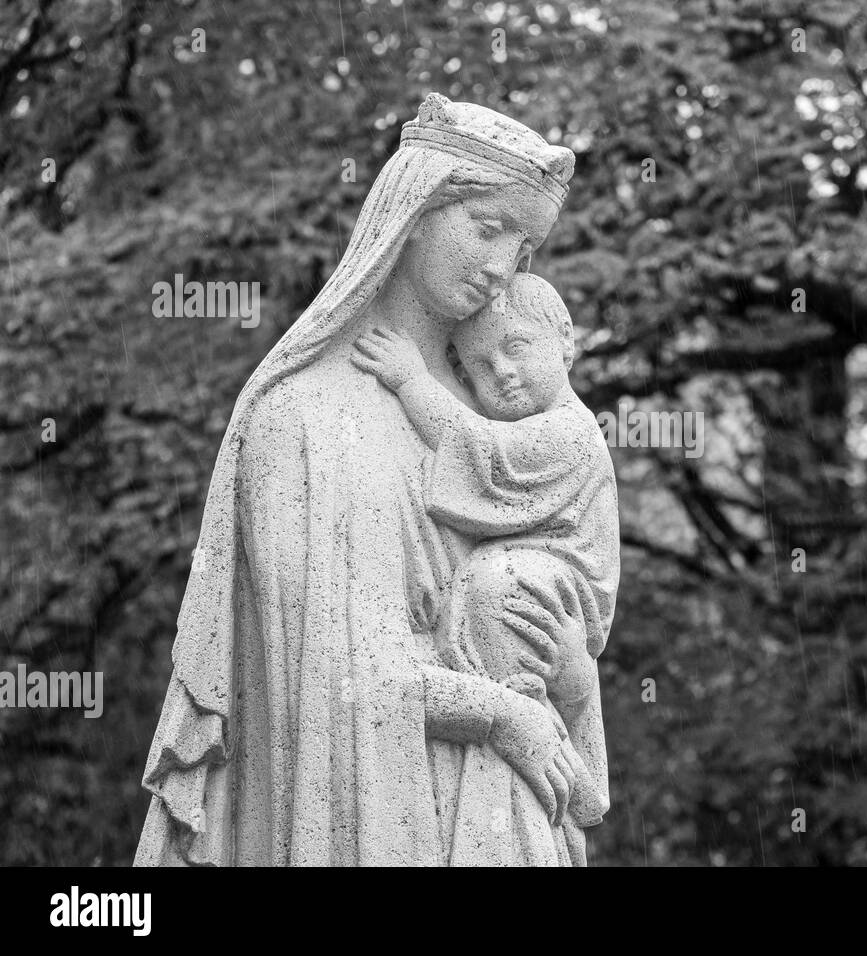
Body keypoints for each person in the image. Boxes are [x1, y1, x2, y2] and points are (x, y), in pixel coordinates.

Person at [134, 93, 607, 866]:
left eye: (521, 247)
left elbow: (558, 611)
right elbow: (341, 684)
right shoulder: (307, 421)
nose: (499, 267)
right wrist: (498, 715)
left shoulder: (497, 416)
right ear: (417, 209)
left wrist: (575, 679)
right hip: (389, 822)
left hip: (519, 822)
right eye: (487, 226)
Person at [350, 273, 619, 850]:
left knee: (506, 605)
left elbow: (484, 457)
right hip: (525, 606)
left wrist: (412, 380)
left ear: (565, 339)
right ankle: (545, 775)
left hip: (552, 594)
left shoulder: (571, 435)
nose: (501, 372)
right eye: (478, 366)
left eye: (515, 346)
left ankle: (575, 785)